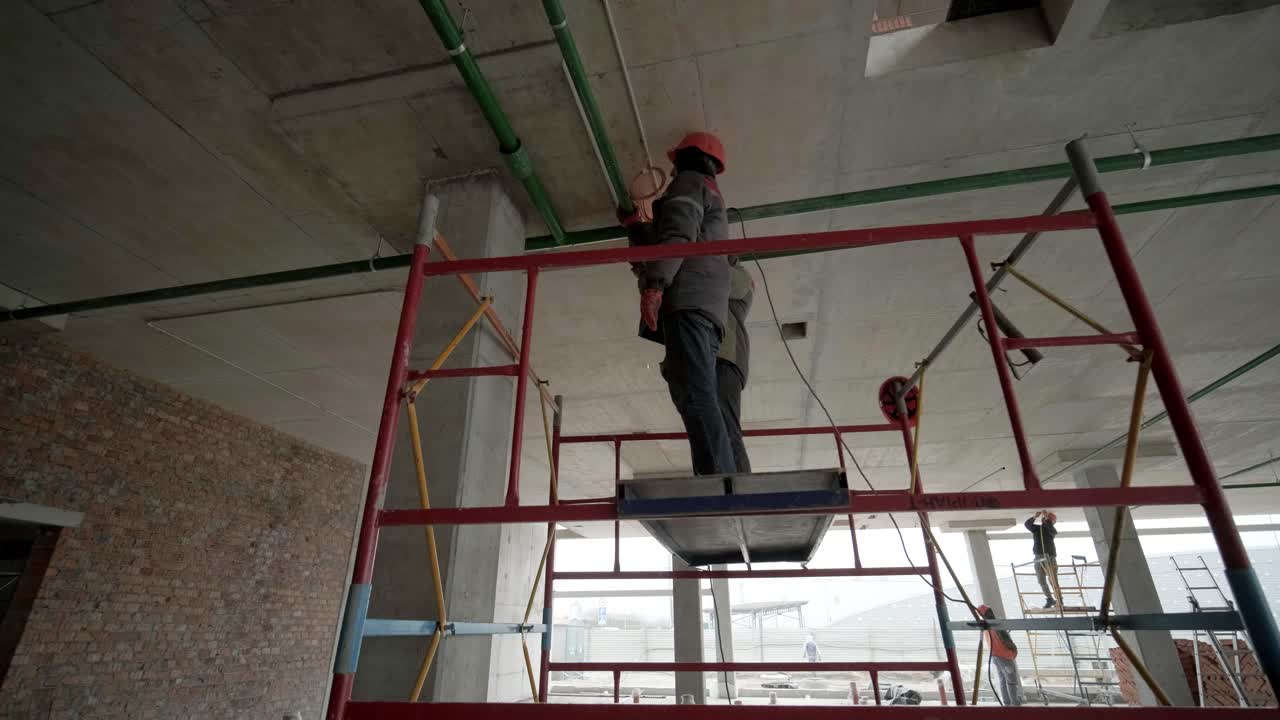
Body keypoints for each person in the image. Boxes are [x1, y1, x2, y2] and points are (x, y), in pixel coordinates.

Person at [620, 132, 734, 476]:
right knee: (692, 392)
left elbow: (677, 235)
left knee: (695, 394)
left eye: (676, 161)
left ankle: (718, 482)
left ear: (687, 157)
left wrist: (655, 286)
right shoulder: (708, 192)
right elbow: (668, 240)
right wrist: (636, 229)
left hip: (689, 302)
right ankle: (719, 477)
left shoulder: (689, 182)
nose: (671, 170)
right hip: (701, 307)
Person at [717, 258, 753, 473]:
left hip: (726, 361)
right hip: (718, 359)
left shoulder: (742, 279)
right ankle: (718, 483)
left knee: (727, 429)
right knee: (709, 430)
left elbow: (717, 276)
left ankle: (742, 487)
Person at [979, 604, 1021, 706]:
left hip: (995, 656)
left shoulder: (985, 625)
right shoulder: (996, 624)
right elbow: (1006, 640)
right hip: (1005, 657)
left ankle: (1007, 703)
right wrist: (1014, 650)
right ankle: (1015, 703)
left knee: (1003, 679)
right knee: (1011, 681)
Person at [1025, 510, 1059, 608]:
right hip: (1038, 556)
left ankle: (1059, 599)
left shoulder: (1051, 530)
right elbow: (1027, 525)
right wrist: (1035, 517)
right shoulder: (1037, 528)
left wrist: (1047, 519)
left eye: (1049, 519)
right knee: (1041, 580)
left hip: (1049, 556)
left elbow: (1053, 531)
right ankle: (1049, 599)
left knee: (1053, 580)